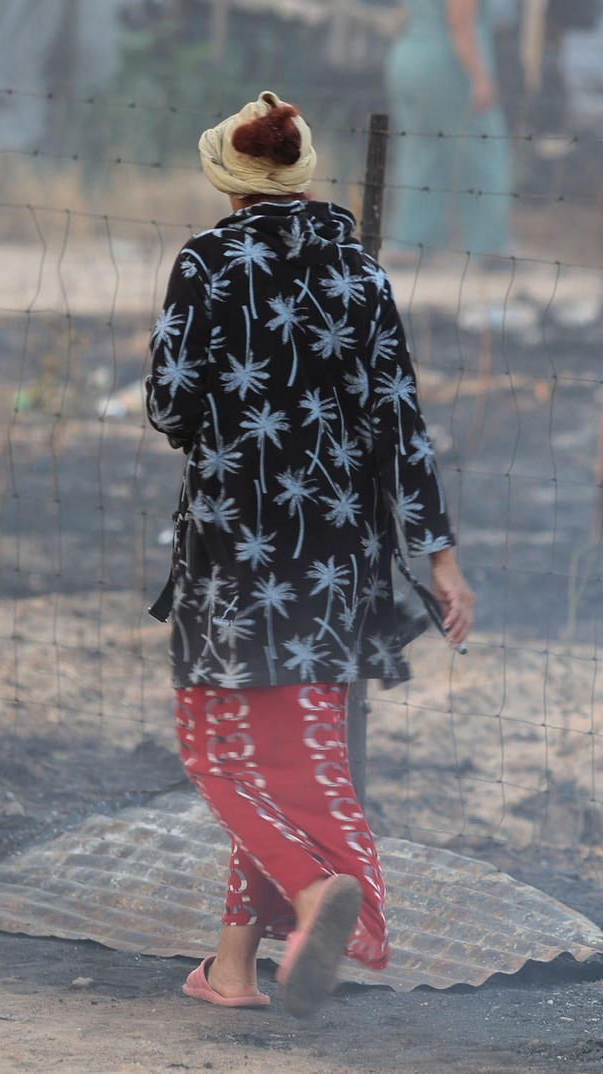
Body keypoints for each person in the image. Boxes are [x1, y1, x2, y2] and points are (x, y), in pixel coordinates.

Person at [143, 90, 475, 1016]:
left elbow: (169, 406)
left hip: (231, 548)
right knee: (287, 751)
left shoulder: (208, 261)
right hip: (338, 554)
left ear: (229, 176)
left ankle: (311, 887)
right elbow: (401, 424)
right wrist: (440, 558)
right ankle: (234, 970)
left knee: (217, 750)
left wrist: (233, 427)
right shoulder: (361, 276)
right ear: (302, 171)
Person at [384, 0, 513, 258]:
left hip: (408, 57)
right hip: (447, 66)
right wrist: (480, 77)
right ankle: (490, 247)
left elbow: (402, 15)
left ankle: (410, 244)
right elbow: (460, 24)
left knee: (422, 157)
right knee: (483, 154)